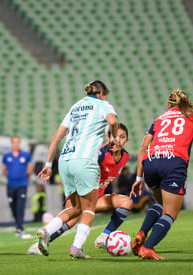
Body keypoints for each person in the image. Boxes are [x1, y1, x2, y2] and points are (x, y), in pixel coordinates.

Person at [36, 80, 118, 259]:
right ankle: (76, 247)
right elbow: (112, 120)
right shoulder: (103, 105)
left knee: (75, 207)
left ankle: (46, 230)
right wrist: (112, 136)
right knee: (89, 208)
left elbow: (56, 138)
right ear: (102, 94)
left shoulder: (75, 107)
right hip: (84, 160)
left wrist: (48, 165)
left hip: (65, 160)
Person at [130, 89, 193, 260]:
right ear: (186, 103)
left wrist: (138, 178)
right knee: (170, 213)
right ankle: (147, 247)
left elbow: (142, 148)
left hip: (151, 161)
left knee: (160, 203)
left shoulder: (159, 119)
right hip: (173, 162)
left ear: (168, 105)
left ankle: (142, 232)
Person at [29, 123, 131, 255]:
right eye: (115, 137)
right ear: (108, 138)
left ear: (127, 139)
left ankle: (104, 237)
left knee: (126, 202)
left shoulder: (126, 156)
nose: (118, 140)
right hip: (81, 192)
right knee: (71, 221)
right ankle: (39, 245)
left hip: (97, 197)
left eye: (122, 137)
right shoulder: (99, 154)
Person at [2, 136, 33, 238]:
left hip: (22, 185)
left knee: (20, 207)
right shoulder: (6, 156)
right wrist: (11, 176)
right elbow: (4, 169)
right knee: (13, 207)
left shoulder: (26, 155)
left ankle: (19, 227)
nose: (16, 144)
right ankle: (18, 224)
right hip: (11, 185)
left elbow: (30, 168)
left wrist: (25, 176)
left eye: (18, 142)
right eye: (14, 142)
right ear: (11, 143)